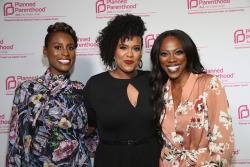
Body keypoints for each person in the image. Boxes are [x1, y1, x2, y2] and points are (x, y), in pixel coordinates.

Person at [7, 22, 91, 167]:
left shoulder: (81, 90)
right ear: (45, 51)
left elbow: (89, 136)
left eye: (70, 48)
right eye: (57, 47)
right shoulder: (27, 90)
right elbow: (18, 145)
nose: (65, 53)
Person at [83, 14, 161, 167]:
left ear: (141, 52)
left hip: (150, 158)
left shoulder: (154, 80)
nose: (130, 54)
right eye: (123, 47)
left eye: (136, 48)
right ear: (113, 50)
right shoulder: (96, 85)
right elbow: (88, 127)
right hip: (111, 160)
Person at [150, 30, 234, 167]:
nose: (171, 59)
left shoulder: (209, 84)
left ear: (188, 54)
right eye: (164, 54)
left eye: (178, 52)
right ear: (158, 59)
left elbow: (224, 144)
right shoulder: (161, 90)